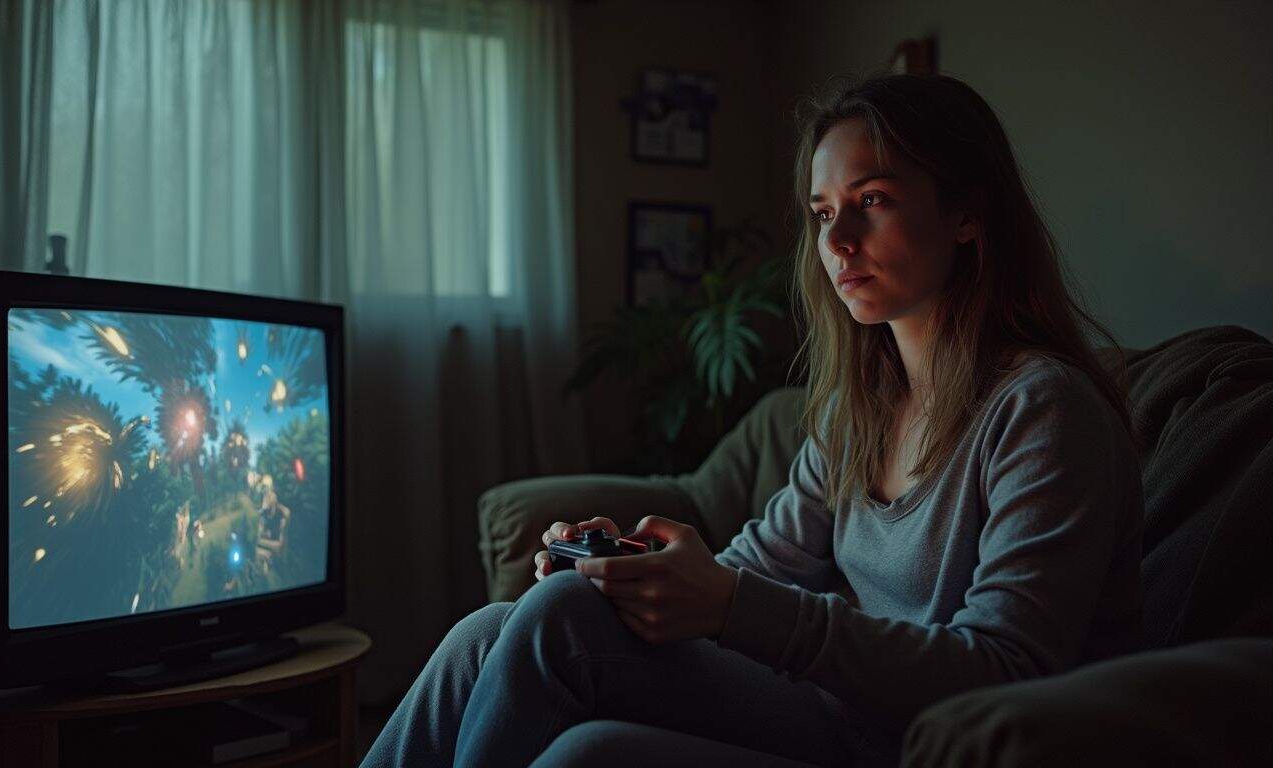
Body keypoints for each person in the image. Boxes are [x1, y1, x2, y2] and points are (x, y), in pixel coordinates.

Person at [361, 73, 1143, 768]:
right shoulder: (853, 412)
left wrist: (739, 609)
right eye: (822, 212)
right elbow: (749, 570)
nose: (837, 241)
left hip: (918, 741)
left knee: (579, 718)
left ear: (967, 216)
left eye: (872, 201)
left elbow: (1006, 671)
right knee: (489, 631)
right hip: (832, 713)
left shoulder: (1043, 409)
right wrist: (625, 570)